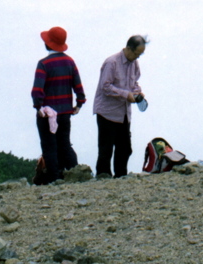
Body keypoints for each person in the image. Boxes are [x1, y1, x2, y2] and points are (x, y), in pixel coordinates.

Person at [31, 26, 85, 184]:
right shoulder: (70, 62)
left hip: (47, 114)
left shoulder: (43, 64)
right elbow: (78, 86)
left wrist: (38, 107)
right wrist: (79, 104)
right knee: (65, 145)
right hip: (65, 113)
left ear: (47, 44)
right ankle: (76, 174)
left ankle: (54, 180)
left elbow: (37, 90)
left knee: (49, 148)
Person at [93, 35, 146, 178]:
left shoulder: (134, 64)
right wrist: (125, 94)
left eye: (140, 54)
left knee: (125, 148)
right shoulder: (112, 62)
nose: (137, 57)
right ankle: (103, 178)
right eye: (136, 53)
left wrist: (137, 93)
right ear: (128, 48)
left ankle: (121, 177)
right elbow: (105, 86)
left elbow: (134, 84)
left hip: (124, 113)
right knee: (106, 149)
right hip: (107, 112)